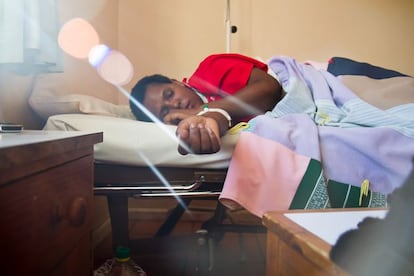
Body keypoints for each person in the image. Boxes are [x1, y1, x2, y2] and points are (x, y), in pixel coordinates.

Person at [129, 53, 284, 155]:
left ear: (177, 83)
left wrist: (201, 110)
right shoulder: (188, 126)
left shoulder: (210, 67)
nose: (175, 104)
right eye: (165, 111)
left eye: (169, 94)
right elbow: (220, 120)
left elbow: (269, 89)